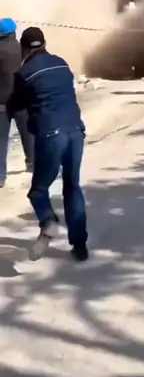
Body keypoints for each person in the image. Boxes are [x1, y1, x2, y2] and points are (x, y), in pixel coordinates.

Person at [10, 27, 89, 262]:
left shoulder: (24, 72)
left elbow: (18, 104)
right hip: (75, 131)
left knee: (38, 191)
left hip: (51, 135)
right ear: (44, 44)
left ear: (24, 48)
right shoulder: (62, 63)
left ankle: (48, 221)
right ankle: (80, 246)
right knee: (72, 186)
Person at [0, 17, 34, 186]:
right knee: (28, 133)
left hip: (1, 103)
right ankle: (32, 164)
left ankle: (0, 177)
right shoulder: (21, 49)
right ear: (13, 32)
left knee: (1, 140)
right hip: (20, 100)